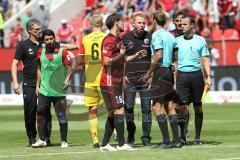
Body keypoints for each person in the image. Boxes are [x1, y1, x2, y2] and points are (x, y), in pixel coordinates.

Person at [140, 11, 181, 149]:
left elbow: (158, 55)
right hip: (169, 70)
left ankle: (166, 141)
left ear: (154, 20)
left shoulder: (156, 35)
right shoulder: (171, 35)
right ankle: (176, 140)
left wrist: (149, 72)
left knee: (156, 107)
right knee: (169, 106)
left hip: (161, 71)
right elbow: (176, 55)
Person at [11, 18, 52, 146]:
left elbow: (59, 46)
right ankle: (32, 137)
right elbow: (14, 64)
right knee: (30, 112)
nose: (40, 31)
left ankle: (46, 138)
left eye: (40, 28)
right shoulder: (23, 45)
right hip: (29, 84)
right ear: (29, 31)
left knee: (46, 112)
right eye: (36, 29)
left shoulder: (44, 42)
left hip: (45, 84)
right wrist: (15, 82)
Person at [99, 13, 135, 151]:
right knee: (119, 109)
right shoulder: (109, 41)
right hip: (109, 81)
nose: (124, 23)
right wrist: (121, 54)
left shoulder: (117, 40)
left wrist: (133, 56)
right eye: (122, 21)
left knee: (113, 112)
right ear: (116, 23)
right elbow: (106, 61)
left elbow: (121, 58)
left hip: (116, 81)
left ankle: (105, 144)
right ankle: (121, 144)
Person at [32, 29, 72, 148]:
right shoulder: (40, 51)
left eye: (51, 39)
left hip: (59, 90)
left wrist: (67, 79)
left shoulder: (62, 51)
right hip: (44, 89)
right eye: (46, 39)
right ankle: (42, 139)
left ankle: (64, 141)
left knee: (61, 116)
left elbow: (70, 67)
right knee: (40, 113)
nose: (49, 41)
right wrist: (37, 85)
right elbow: (39, 69)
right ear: (43, 41)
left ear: (54, 38)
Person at [175, 15, 212, 145]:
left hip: (196, 76)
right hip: (182, 76)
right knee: (183, 108)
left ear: (192, 25)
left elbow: (206, 59)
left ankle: (197, 137)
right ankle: (183, 136)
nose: (181, 26)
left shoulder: (201, 41)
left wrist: (208, 76)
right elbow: (174, 61)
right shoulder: (177, 41)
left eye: (185, 24)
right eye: (181, 24)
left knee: (197, 107)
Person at [77, 14, 107, 148]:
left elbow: (79, 60)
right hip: (104, 77)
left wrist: (86, 65)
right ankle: (117, 133)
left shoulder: (85, 39)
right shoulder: (107, 37)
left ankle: (95, 139)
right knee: (113, 107)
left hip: (90, 78)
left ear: (90, 25)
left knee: (92, 109)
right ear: (103, 24)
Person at [122, 13, 152, 146]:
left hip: (145, 79)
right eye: (139, 22)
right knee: (128, 109)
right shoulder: (125, 38)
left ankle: (146, 138)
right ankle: (131, 135)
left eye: (143, 23)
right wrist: (123, 75)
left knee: (146, 109)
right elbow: (121, 59)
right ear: (132, 23)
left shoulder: (150, 37)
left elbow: (154, 58)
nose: (142, 25)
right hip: (130, 80)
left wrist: (151, 75)